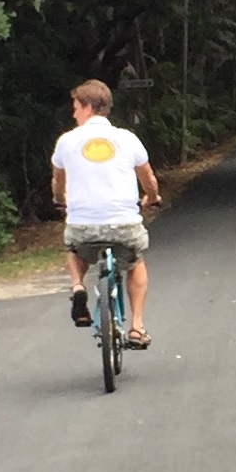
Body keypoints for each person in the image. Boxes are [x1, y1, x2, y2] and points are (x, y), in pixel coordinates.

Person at [50, 79, 161, 348]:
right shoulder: (127, 139)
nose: (74, 114)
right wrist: (152, 197)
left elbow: (58, 182)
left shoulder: (66, 141)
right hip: (124, 225)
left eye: (76, 107)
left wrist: (60, 201)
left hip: (83, 226)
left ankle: (78, 286)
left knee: (75, 250)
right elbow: (148, 178)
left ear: (88, 108)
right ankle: (137, 328)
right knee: (135, 261)